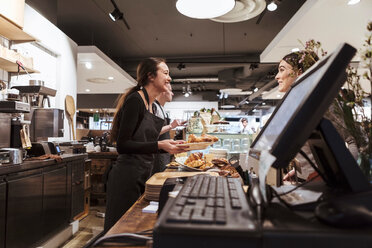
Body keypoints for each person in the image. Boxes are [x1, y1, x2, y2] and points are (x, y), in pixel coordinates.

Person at [104, 57, 187, 231]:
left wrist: (168, 142)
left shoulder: (151, 105)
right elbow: (123, 145)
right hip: (126, 177)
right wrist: (160, 146)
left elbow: (145, 137)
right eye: (165, 73)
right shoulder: (136, 100)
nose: (169, 78)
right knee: (118, 231)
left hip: (143, 173)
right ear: (150, 76)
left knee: (135, 227)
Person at [275, 51, 358, 181]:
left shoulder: (324, 103)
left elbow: (351, 142)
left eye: (281, 70)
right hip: (305, 180)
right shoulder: (298, 104)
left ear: (299, 72)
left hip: (325, 183)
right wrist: (299, 170)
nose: (277, 76)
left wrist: (336, 176)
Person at [152, 84, 184, 174]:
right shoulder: (154, 107)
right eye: (170, 91)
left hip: (164, 152)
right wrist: (171, 126)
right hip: (157, 154)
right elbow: (152, 133)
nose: (172, 94)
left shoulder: (162, 108)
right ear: (163, 91)